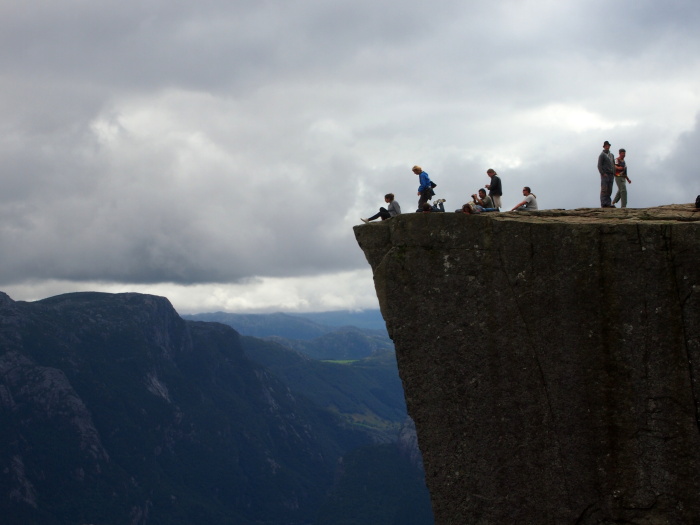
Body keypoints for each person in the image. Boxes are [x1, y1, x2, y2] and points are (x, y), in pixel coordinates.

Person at [597, 140, 615, 207]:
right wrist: (602, 173)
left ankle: (608, 203)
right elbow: (599, 165)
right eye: (606, 146)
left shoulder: (611, 155)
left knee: (609, 189)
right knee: (604, 189)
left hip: (611, 174)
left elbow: (613, 164)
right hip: (605, 174)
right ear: (604, 147)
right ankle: (604, 203)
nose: (607, 147)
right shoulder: (602, 155)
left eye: (608, 146)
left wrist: (614, 173)